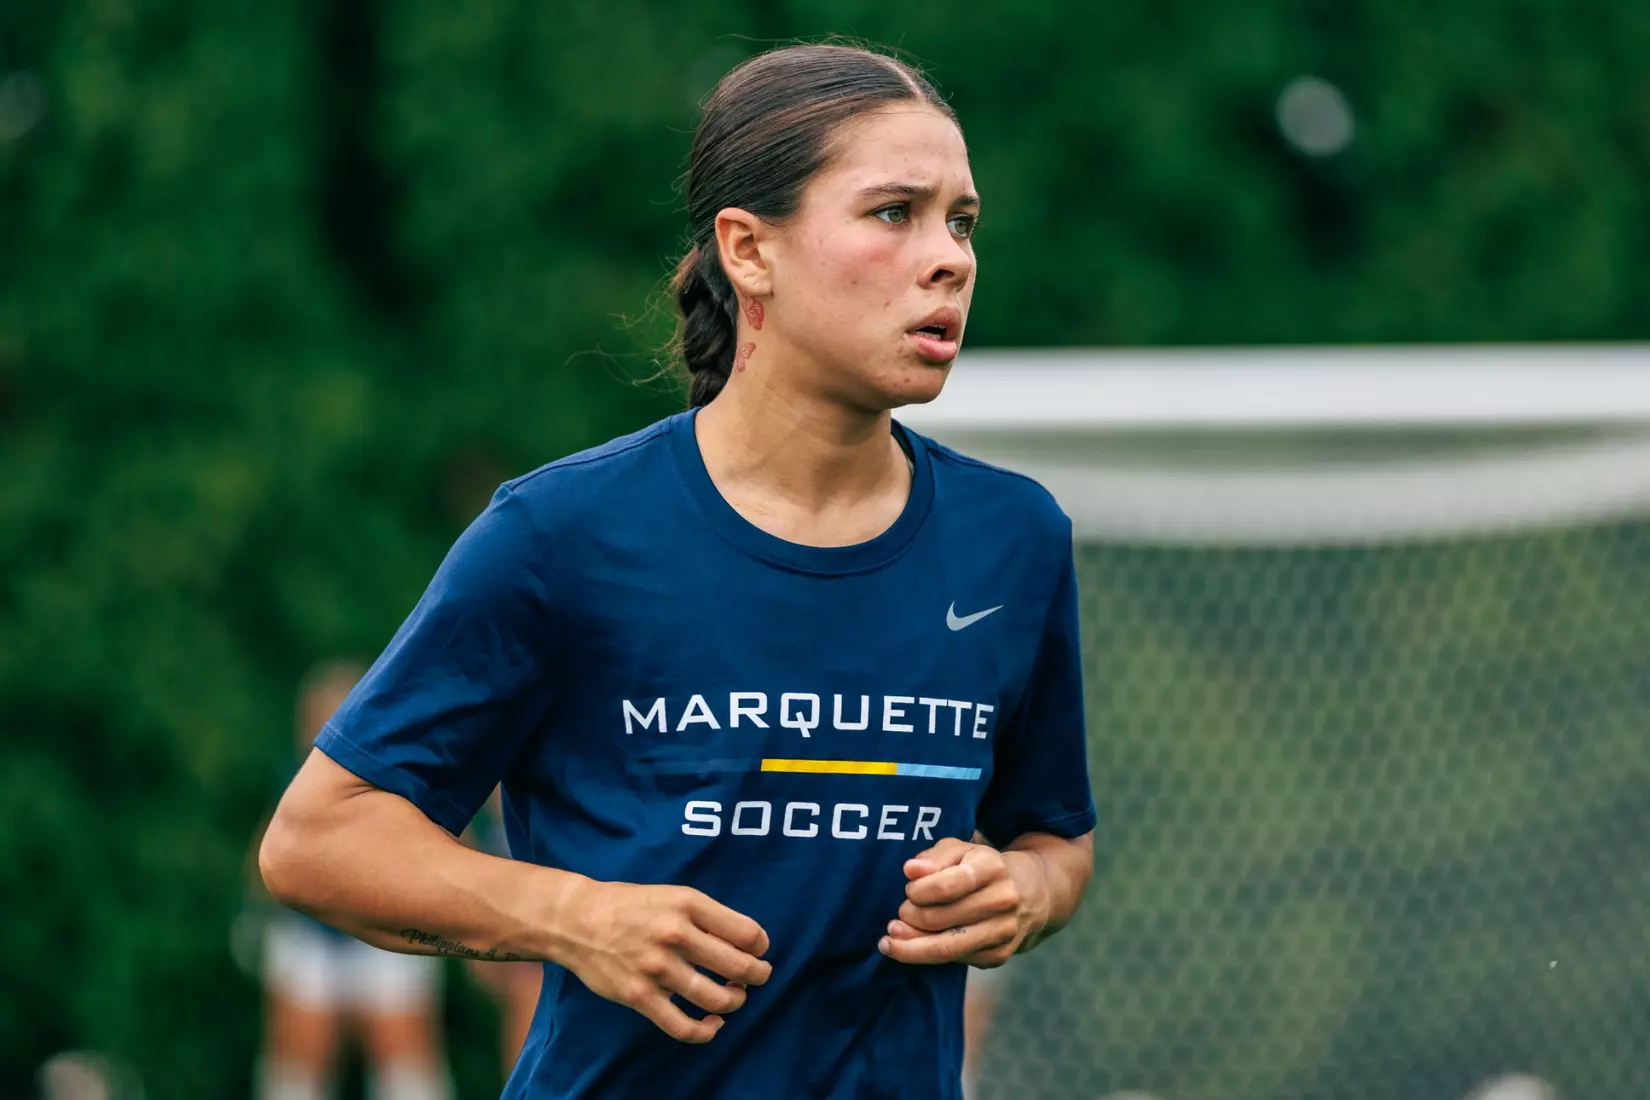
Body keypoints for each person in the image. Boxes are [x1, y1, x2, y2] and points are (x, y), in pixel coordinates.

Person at [260, 42, 1096, 1099]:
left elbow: (1057, 835)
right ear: (748, 250)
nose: (951, 258)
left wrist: (1021, 888)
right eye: (895, 212)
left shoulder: (1014, 537)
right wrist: (577, 915)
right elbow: (319, 839)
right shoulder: (563, 533)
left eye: (961, 220)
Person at [253, 662, 453, 1100]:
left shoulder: (402, 774)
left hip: (388, 928)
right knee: (300, 1049)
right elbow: (269, 854)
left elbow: (446, 850)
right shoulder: (297, 780)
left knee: (402, 1049)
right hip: (309, 932)